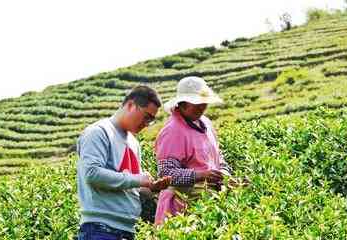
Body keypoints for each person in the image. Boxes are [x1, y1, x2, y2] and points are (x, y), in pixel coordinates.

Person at [76, 85, 171, 240]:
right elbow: (91, 173)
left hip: (127, 229)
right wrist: (138, 179)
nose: (146, 124)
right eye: (146, 117)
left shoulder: (133, 142)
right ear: (130, 105)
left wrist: (149, 187)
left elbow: (128, 185)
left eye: (151, 120)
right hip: (101, 229)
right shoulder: (99, 132)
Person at [154, 76, 232, 225]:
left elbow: (218, 157)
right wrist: (201, 175)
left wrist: (224, 175)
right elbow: (166, 173)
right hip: (181, 209)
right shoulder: (172, 131)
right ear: (182, 104)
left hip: (209, 203)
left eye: (204, 102)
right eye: (196, 103)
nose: (202, 106)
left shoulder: (206, 124)